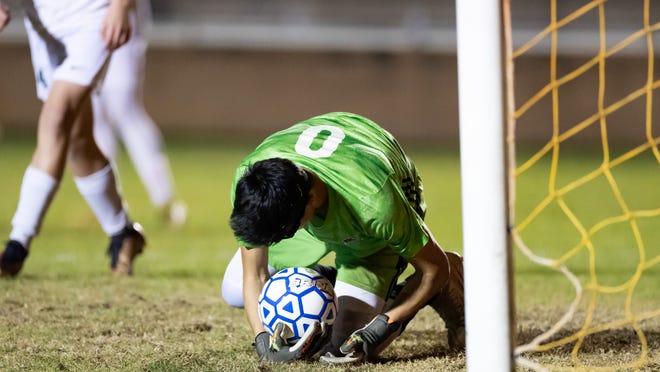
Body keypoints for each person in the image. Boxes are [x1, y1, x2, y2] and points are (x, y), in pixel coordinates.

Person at [222, 112, 465, 363]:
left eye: (280, 234)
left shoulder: (375, 202)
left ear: (311, 201)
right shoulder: (252, 178)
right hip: (317, 202)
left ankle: (437, 286)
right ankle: (328, 279)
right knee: (234, 288)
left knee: (343, 349)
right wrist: (262, 338)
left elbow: (434, 269)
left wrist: (387, 322)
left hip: (364, 223)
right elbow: (255, 275)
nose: (272, 242)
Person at [0, 0, 146, 278]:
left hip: (91, 16)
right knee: (78, 141)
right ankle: (122, 233)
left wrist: (121, 5)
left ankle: (16, 247)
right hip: (43, 22)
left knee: (54, 121)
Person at [92, 0, 186, 227]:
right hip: (87, 19)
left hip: (120, 16)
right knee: (97, 115)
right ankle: (110, 203)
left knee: (124, 110)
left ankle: (164, 197)